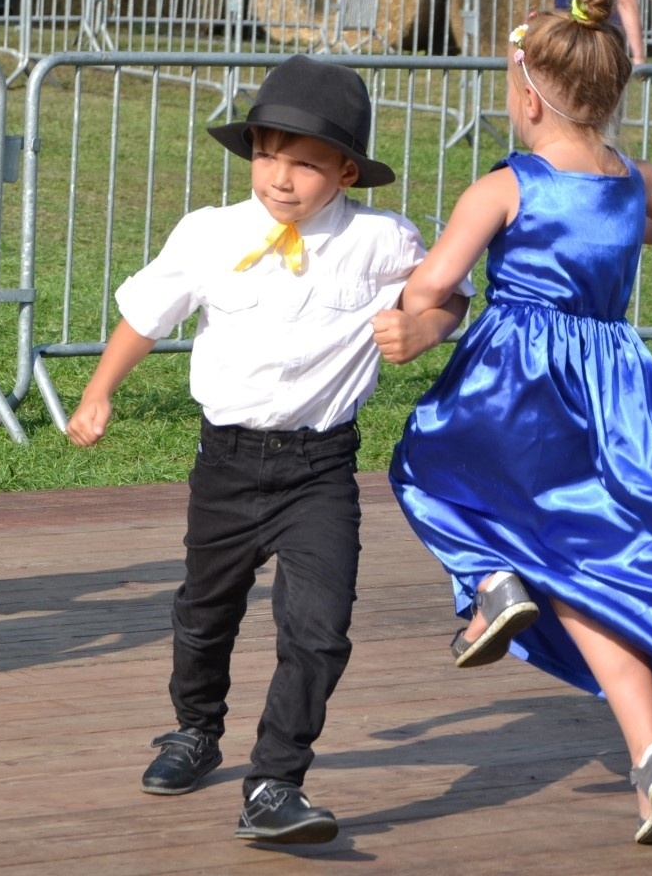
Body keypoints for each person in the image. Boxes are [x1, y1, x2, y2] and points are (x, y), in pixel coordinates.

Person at [386, 0, 652, 846]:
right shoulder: (631, 181)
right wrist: (626, 211)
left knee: (426, 466)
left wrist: (414, 315)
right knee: (590, 569)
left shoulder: (508, 184)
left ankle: (492, 586)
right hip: (609, 386)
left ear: (526, 93)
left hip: (518, 379)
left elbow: (436, 283)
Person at [65, 55, 469, 845]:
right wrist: (97, 391)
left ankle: (276, 782)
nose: (280, 177)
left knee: (318, 628)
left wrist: (427, 327)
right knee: (206, 609)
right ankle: (194, 729)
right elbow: (148, 314)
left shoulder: (381, 240)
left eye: (306, 161)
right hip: (228, 462)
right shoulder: (211, 232)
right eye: (266, 153)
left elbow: (446, 291)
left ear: (347, 170)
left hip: (320, 469)